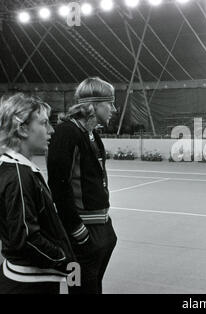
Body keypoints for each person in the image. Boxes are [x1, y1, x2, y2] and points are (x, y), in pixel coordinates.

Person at [47, 77, 117, 294]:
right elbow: (59, 185)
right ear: (94, 105)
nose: (113, 109)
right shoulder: (66, 132)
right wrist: (78, 231)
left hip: (102, 227)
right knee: (79, 289)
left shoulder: (92, 133)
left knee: (93, 287)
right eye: (110, 103)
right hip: (81, 234)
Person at [0, 93, 75, 294]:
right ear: (22, 129)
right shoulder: (18, 175)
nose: (51, 130)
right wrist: (64, 259)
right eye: (43, 123)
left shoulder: (18, 168)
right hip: (29, 283)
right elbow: (25, 239)